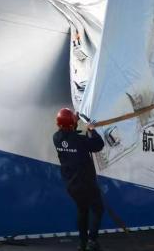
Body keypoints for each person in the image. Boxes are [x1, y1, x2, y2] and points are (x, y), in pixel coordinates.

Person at [53, 107, 105, 251]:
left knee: (82, 211)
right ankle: (92, 241)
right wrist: (91, 130)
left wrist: (73, 121)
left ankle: (82, 243)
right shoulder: (80, 141)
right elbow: (98, 145)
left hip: (72, 185)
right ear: (71, 124)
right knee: (98, 208)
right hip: (87, 183)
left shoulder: (56, 138)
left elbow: (68, 134)